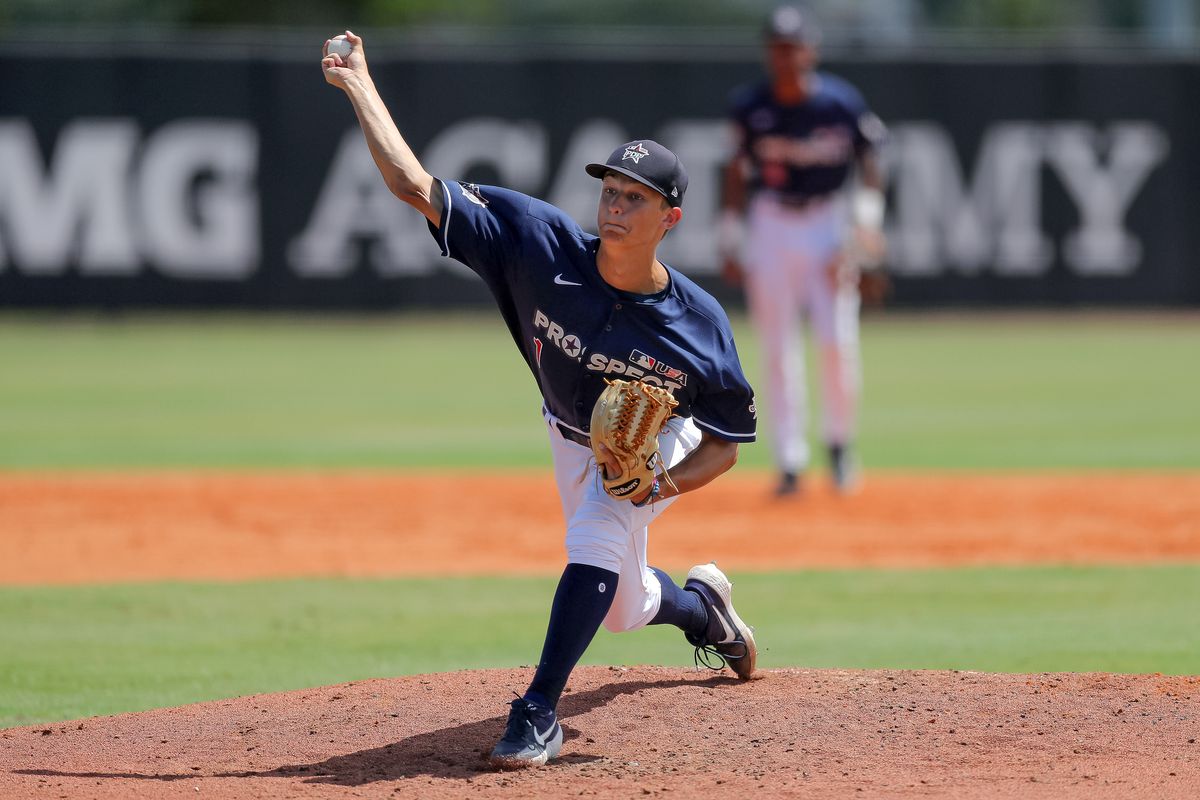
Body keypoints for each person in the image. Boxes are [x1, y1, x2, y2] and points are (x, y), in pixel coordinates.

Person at [322, 32, 759, 769]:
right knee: (622, 608)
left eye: (636, 198)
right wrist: (358, 82)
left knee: (596, 535)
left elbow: (726, 445)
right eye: (610, 191)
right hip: (565, 432)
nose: (615, 206)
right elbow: (411, 184)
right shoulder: (537, 243)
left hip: (656, 447)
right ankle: (701, 610)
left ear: (670, 219)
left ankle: (537, 712)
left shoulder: (699, 325)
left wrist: (661, 482)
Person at [719, 5, 888, 496]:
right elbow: (735, 171)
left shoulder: (839, 102)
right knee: (777, 347)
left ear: (811, 51)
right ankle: (790, 461)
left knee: (837, 340)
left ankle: (839, 445)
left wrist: (867, 225)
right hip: (771, 221)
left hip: (829, 223)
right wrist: (731, 235)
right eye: (778, 47)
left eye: (793, 47)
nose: (786, 56)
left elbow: (871, 157)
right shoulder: (750, 105)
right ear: (768, 53)